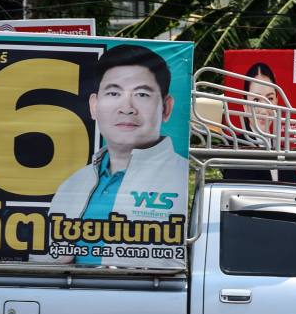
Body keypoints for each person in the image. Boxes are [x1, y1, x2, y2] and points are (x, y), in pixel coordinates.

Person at [38, 44, 187, 266]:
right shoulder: (73, 183)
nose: (126, 108)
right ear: (94, 106)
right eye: (114, 93)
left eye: (142, 94)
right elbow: (46, 258)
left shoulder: (184, 178)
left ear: (166, 108)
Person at [220, 62, 296, 183]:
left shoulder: (284, 152)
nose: (264, 109)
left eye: (270, 99)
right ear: (245, 105)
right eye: (256, 99)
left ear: (277, 102)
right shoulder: (234, 148)